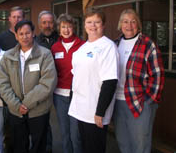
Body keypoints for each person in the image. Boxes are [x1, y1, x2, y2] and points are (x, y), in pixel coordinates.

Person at [0, 20, 57, 153]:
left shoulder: (44, 54)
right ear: (16, 36)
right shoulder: (7, 57)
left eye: (28, 33)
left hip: (38, 110)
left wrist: (26, 103)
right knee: (19, 145)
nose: (25, 37)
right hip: (16, 111)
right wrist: (16, 105)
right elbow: (3, 83)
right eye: (21, 34)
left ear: (33, 34)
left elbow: (48, 83)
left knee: (39, 146)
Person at [113, 9, 165, 153]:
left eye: (133, 21)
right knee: (122, 140)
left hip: (140, 101)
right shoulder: (115, 44)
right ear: (120, 24)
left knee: (140, 143)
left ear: (138, 24)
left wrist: (148, 100)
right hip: (117, 100)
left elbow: (158, 75)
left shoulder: (148, 44)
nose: (129, 25)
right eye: (125, 21)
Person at [68, 9, 119, 153]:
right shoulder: (82, 48)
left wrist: (100, 112)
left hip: (94, 110)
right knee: (85, 146)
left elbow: (110, 82)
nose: (93, 25)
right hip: (79, 108)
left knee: (95, 148)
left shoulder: (108, 47)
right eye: (89, 22)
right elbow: (76, 77)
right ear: (84, 25)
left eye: (97, 22)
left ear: (103, 25)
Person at [51, 14, 84, 153]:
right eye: (63, 26)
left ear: (74, 28)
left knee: (75, 134)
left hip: (78, 94)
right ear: (59, 29)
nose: (66, 30)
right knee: (64, 133)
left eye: (69, 26)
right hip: (60, 96)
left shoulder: (82, 45)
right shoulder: (55, 47)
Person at [0, 6, 24, 153]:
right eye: (14, 17)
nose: (17, 19)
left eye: (19, 17)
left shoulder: (29, 36)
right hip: (9, 91)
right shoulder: (1, 39)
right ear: (9, 19)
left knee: (26, 128)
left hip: (26, 89)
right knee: (9, 128)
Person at [36, 10, 59, 153]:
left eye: (50, 22)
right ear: (39, 25)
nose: (47, 25)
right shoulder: (34, 42)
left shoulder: (62, 39)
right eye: (44, 22)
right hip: (42, 86)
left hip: (62, 87)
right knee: (43, 119)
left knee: (67, 119)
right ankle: (47, 147)